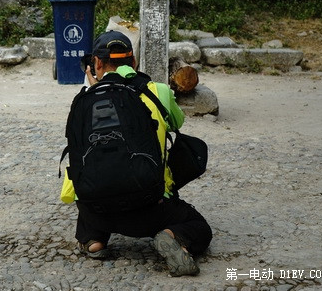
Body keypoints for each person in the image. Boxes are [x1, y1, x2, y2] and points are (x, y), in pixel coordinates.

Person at [64, 30, 212, 277]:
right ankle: (171, 236)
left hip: (97, 210)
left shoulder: (86, 98)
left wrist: (98, 90)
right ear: (133, 62)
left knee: (101, 171)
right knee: (199, 227)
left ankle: (94, 241)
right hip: (150, 208)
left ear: (96, 63)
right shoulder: (157, 91)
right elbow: (178, 122)